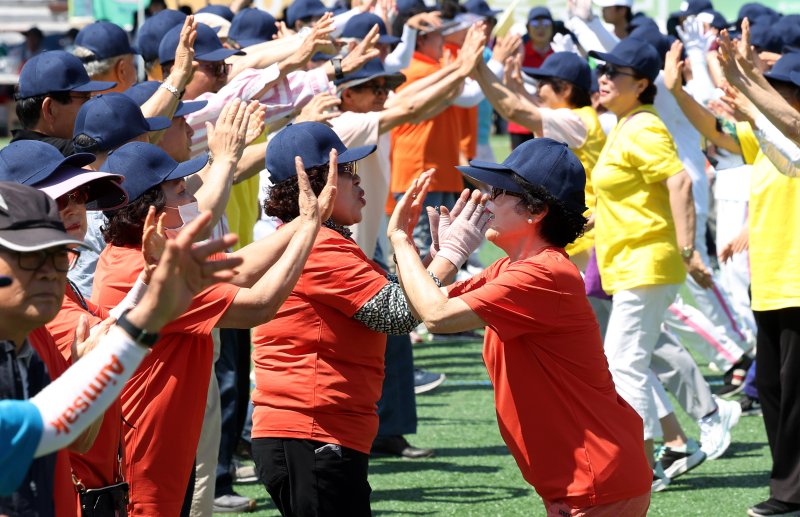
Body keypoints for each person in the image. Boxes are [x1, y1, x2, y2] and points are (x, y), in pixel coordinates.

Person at [388, 138, 652, 516]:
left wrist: (401, 242)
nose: (483, 201)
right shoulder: (513, 268)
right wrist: (442, 257)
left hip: (595, 479)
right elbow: (415, 306)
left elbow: (436, 314)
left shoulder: (543, 273)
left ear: (536, 210)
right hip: (578, 477)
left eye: (497, 192)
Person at [250, 122, 487, 515]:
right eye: (346, 172)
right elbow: (396, 314)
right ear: (313, 185)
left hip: (313, 432)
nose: (360, 183)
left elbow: (390, 297)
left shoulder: (323, 238)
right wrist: (450, 256)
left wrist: (425, 258)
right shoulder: (320, 245)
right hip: (311, 432)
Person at [90, 141, 327, 516]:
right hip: (148, 447)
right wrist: (310, 228)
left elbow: (241, 266)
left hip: (167, 438)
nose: (189, 196)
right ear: (150, 208)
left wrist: (305, 219)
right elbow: (259, 304)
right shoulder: (141, 267)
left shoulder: (153, 251)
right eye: (179, 189)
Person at [0, 182, 244, 502]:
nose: (49, 272)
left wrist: (150, 304)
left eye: (59, 255)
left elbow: (67, 430)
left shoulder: (21, 353)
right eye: (30, 256)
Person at [587, 37, 712, 488]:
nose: (602, 79)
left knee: (623, 364)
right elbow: (623, 198)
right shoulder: (624, 123)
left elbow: (679, 182)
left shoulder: (642, 127)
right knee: (627, 362)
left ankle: (640, 468)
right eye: (601, 71)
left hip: (648, 261)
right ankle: (659, 455)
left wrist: (687, 249)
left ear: (641, 84)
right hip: (631, 263)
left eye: (613, 74)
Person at [11, 51, 115, 156]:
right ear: (50, 110)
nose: (92, 105)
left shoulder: (10, 157)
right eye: (85, 98)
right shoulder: (72, 156)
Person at [507, 6, 554, 149]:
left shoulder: (559, 53)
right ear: (527, 27)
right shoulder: (518, 53)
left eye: (546, 24)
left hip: (550, 122)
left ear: (552, 27)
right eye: (535, 24)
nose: (541, 28)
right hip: (520, 123)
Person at [73, 21, 139, 93]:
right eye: (132, 63)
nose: (135, 71)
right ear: (121, 71)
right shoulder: (138, 103)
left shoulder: (67, 101)